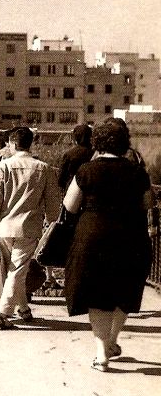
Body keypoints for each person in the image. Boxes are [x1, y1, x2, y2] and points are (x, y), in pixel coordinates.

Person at [62, 120, 154, 372]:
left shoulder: (87, 170)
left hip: (93, 236)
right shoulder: (137, 172)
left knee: (97, 293)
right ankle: (113, 340)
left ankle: (102, 353)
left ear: (98, 143)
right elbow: (148, 203)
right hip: (131, 237)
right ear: (124, 142)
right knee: (125, 288)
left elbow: (70, 206)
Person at [0, 127, 61, 329]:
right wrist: (52, 223)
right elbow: (53, 204)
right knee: (17, 272)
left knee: (13, 272)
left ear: (13, 144)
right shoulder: (44, 168)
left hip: (4, 228)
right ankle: (3, 313)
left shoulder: (3, 167)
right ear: (30, 143)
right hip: (28, 228)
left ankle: (22, 310)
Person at [58, 124, 94, 191]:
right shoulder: (96, 153)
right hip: (92, 188)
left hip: (72, 187)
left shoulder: (69, 154)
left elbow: (62, 177)